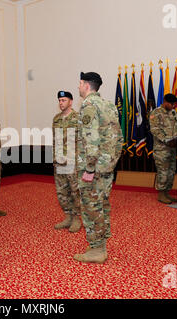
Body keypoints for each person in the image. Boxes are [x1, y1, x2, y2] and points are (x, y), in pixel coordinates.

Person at [74, 72, 123, 264]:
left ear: (86, 85)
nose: (78, 87)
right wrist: (110, 162)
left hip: (93, 167)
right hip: (107, 166)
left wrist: (90, 168)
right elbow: (119, 138)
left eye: (79, 83)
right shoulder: (109, 105)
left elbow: (90, 139)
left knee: (91, 206)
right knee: (102, 204)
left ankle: (96, 250)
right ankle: (100, 242)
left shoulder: (88, 105)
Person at [52, 91, 82, 233]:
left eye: (64, 100)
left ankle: (76, 218)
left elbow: (83, 141)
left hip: (73, 162)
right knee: (62, 191)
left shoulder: (78, 118)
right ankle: (68, 216)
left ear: (70, 101)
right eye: (59, 100)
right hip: (59, 161)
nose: (61, 103)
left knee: (75, 191)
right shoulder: (56, 119)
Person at [149, 93, 177, 204]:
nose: (173, 106)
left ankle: (167, 193)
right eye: (171, 104)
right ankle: (161, 194)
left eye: (174, 104)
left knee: (171, 171)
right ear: (165, 102)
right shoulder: (156, 113)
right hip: (161, 149)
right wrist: (167, 140)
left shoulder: (173, 113)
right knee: (163, 172)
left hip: (172, 148)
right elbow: (155, 130)